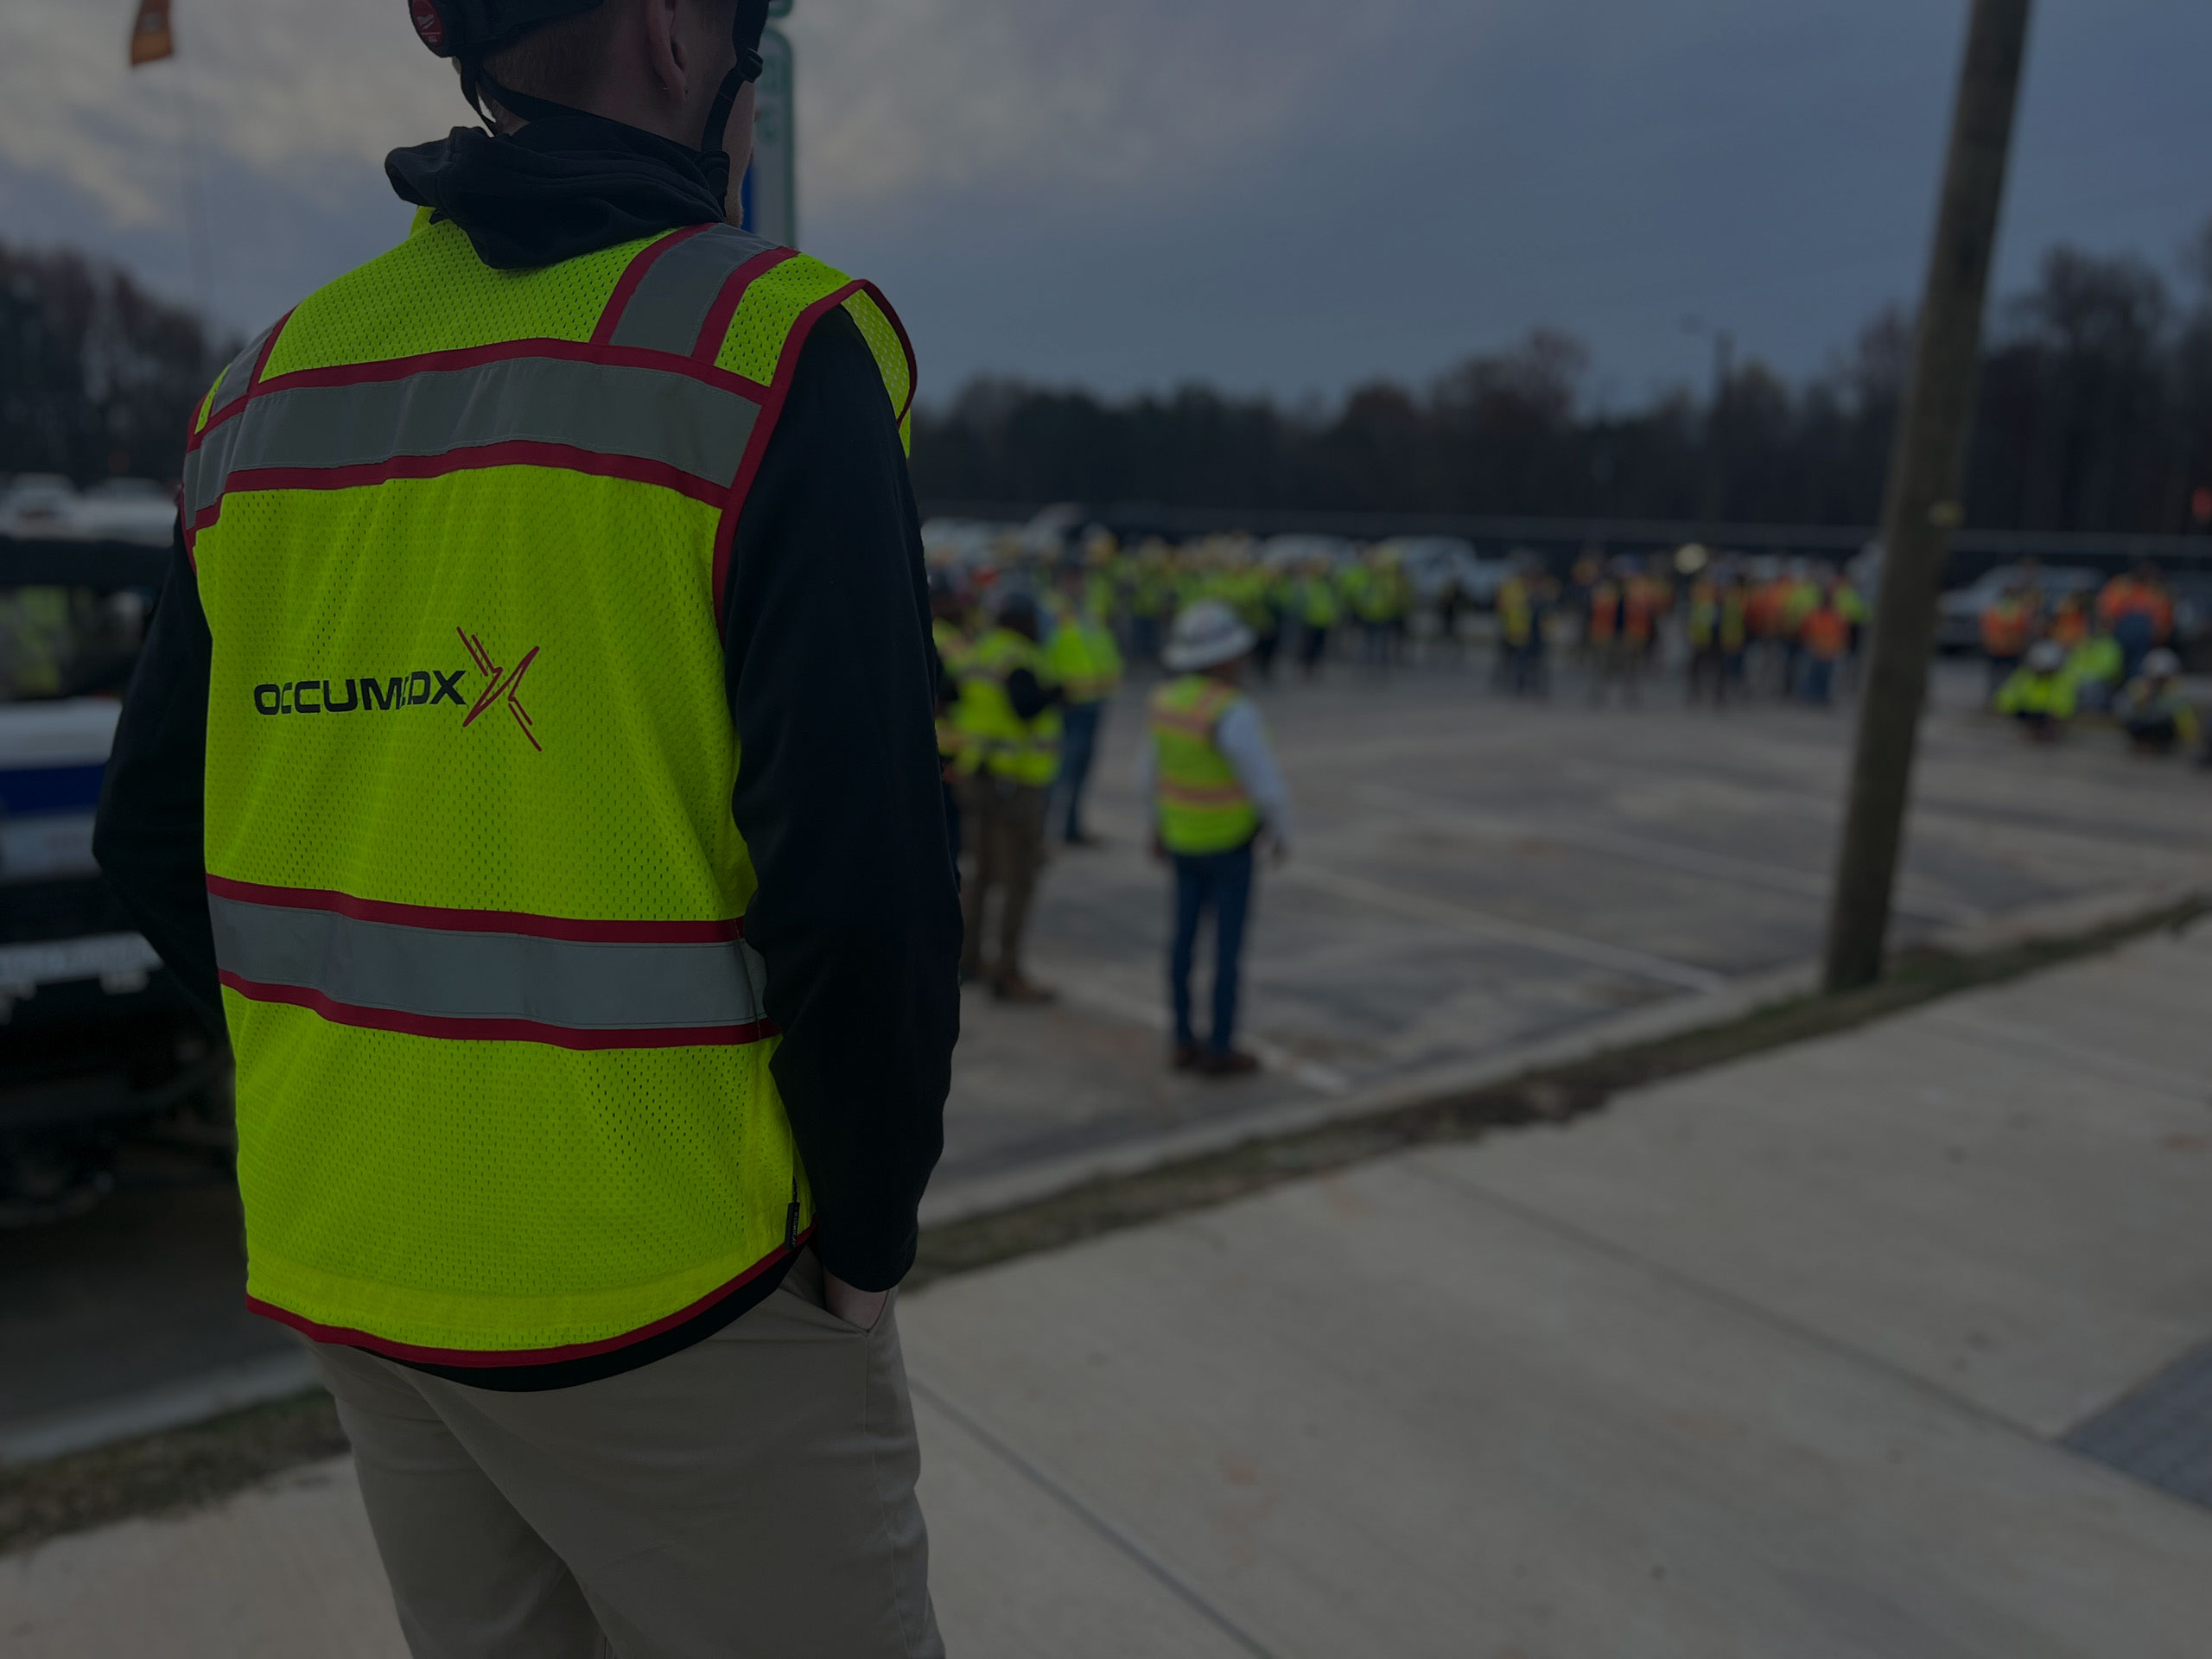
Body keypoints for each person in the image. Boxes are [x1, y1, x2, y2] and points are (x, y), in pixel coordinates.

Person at [91, 3, 958, 1653]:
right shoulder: (768, 348)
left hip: (368, 1271)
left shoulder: (262, 392)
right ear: (669, 31)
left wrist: (369, 1087)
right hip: (680, 1286)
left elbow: (151, 835)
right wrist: (869, 1229)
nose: (752, 100)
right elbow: (862, 891)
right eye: (752, 55)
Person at [1137, 602, 1293, 1077]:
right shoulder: (1233, 710)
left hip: (1182, 842)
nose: (1243, 660)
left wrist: (1157, 827)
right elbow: (1266, 785)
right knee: (1226, 950)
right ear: (1222, 658)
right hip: (1229, 846)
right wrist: (1283, 835)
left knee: (1182, 943)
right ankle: (1221, 1047)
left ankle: (1182, 1039)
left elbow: (1146, 775)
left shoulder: (1165, 701)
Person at [953, 589, 1064, 1001]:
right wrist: (1057, 693)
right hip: (1014, 782)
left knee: (980, 873)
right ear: (1021, 621)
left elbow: (948, 692)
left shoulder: (980, 650)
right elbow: (1025, 707)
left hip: (978, 773)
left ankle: (969, 961)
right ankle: (1008, 972)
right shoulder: (1019, 656)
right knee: (1019, 877)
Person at [1043, 562, 1124, 846]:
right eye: (1073, 576)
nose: (1078, 583)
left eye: (1081, 577)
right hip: (1068, 704)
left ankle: (1071, 827)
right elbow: (1042, 653)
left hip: (1094, 701)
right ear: (1061, 579)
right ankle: (1043, 832)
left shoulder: (1089, 611)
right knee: (1059, 770)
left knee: (1081, 770)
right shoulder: (1052, 610)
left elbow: (1102, 648)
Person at [2116, 649, 2200, 756]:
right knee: (2137, 722)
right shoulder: (2137, 686)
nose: (2158, 682)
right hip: (2142, 724)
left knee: (2163, 723)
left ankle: (2159, 745)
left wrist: (2189, 739)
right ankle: (2142, 743)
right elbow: (2123, 711)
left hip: (2163, 729)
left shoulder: (2176, 691)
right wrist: (2140, 700)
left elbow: (2185, 719)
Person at [1995, 639, 2076, 741]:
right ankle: (2032, 728)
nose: (2044, 673)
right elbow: (2005, 699)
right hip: (2027, 712)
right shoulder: (2023, 676)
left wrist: (2053, 719)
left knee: (2053, 720)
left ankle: (2047, 730)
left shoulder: (2063, 680)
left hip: (2049, 715)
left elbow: (2064, 706)